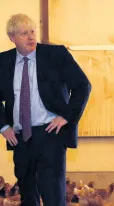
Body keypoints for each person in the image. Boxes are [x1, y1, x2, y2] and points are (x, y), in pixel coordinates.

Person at [0, 13, 92, 205]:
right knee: (27, 194)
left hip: (51, 133)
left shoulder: (56, 55)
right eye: (24, 33)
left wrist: (66, 116)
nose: (31, 37)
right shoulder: (3, 61)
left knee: (53, 194)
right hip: (20, 137)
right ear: (12, 38)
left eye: (33, 31)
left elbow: (83, 85)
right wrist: (3, 127)